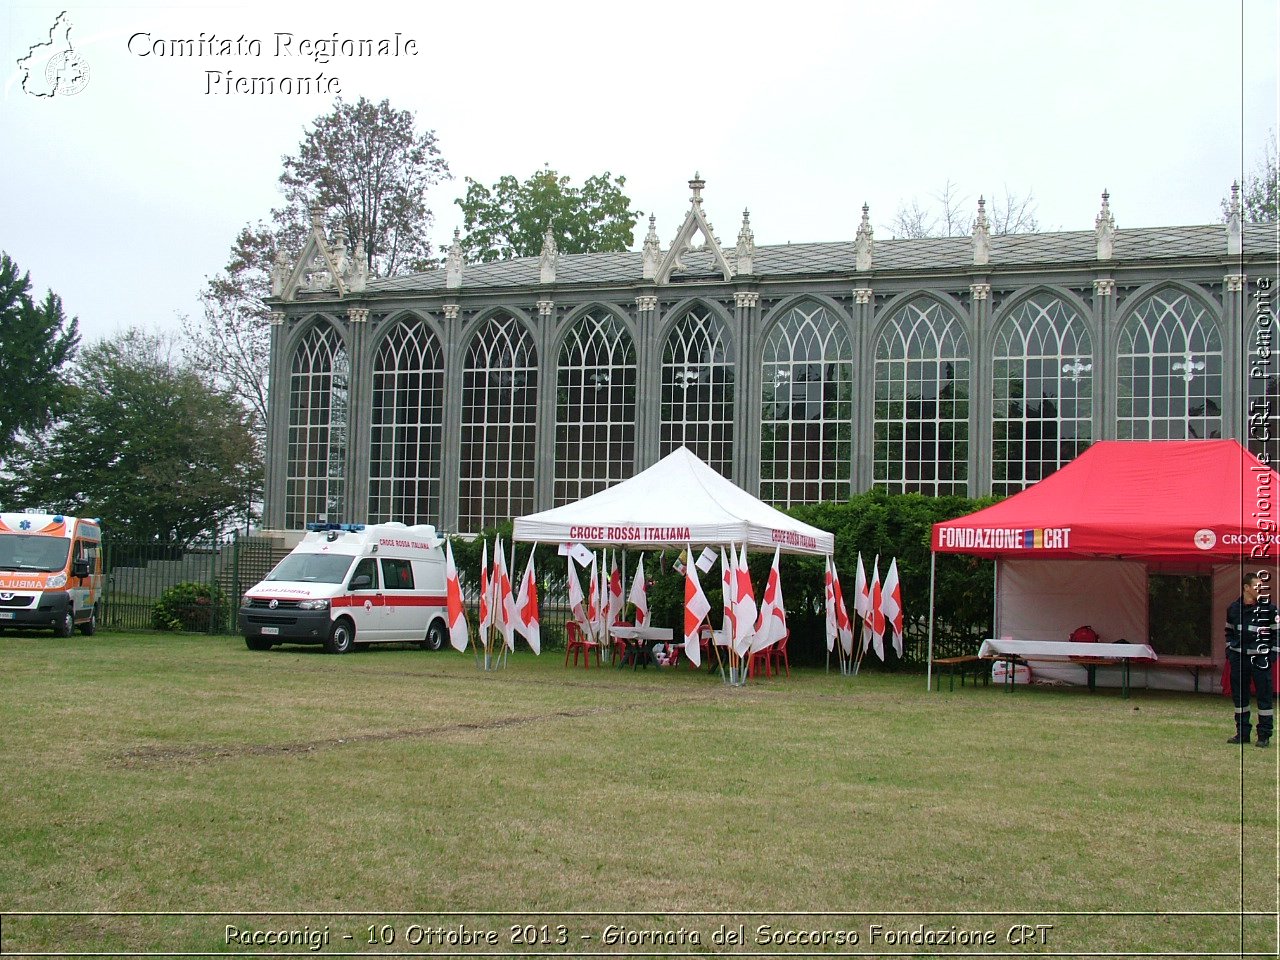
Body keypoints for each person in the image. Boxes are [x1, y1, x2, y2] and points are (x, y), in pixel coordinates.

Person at [1226, 572, 1277, 746]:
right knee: (1240, 698)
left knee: (1264, 697)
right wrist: (1231, 653)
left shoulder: (1269, 609)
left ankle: (1264, 736)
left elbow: (1276, 634)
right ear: (1246, 588)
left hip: (1260, 660)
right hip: (1239, 659)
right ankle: (1242, 733)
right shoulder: (1233, 609)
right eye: (1257, 587)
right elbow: (1229, 632)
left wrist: (1272, 656)